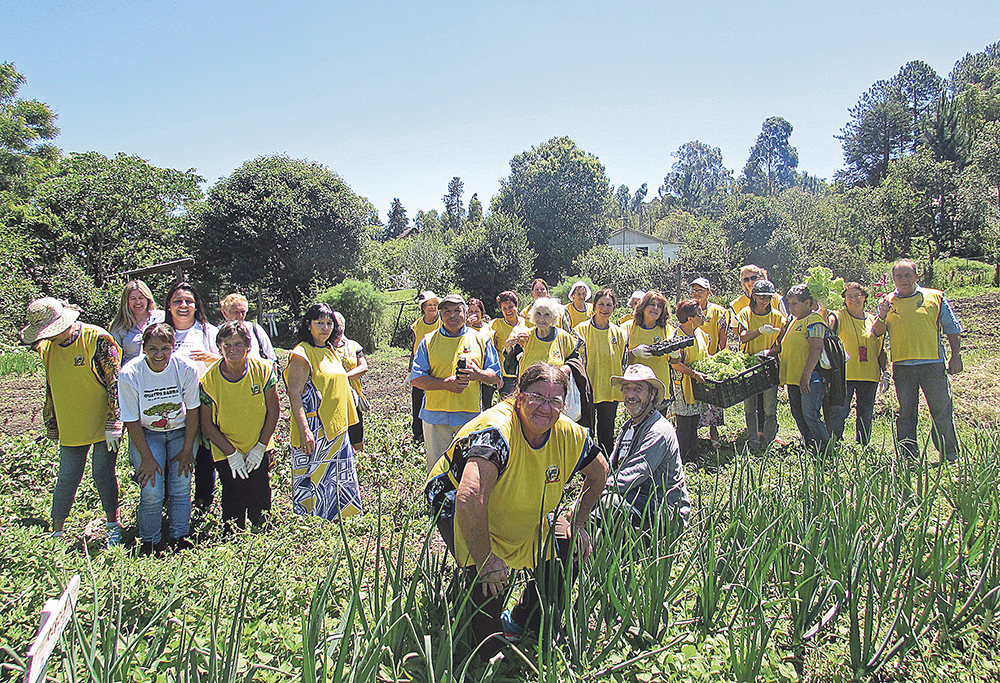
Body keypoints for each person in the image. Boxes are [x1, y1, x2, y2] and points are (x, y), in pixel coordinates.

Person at [425, 362, 609, 657]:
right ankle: (480, 630)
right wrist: (485, 559)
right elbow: (470, 495)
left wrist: (578, 523)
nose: (545, 408)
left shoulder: (567, 433)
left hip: (520, 501)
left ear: (564, 403)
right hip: (461, 501)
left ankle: (527, 619)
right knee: (488, 614)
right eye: (536, 397)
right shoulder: (496, 432)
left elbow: (599, 472)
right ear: (519, 396)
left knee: (567, 547)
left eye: (554, 400)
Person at [20, 298, 124, 545]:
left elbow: (115, 383)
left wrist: (114, 422)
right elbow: (50, 386)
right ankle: (56, 532)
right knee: (67, 475)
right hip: (71, 422)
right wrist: (52, 422)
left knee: (102, 473)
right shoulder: (47, 348)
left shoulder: (97, 339)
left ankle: (113, 524)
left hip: (103, 423)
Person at [118, 323, 200, 554]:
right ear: (144, 348)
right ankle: (149, 541)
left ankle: (180, 537)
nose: (159, 354)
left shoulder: (185, 368)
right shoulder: (130, 374)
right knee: (152, 488)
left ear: (173, 347)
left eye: (165, 348)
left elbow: (193, 410)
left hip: (181, 430)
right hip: (146, 433)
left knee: (181, 484)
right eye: (152, 349)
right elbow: (131, 420)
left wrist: (187, 450)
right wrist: (146, 458)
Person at [871, 259, 962, 463]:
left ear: (916, 276)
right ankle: (908, 458)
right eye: (899, 276)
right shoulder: (887, 301)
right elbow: (877, 333)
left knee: (941, 409)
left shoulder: (935, 297)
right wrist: (883, 314)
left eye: (907, 275)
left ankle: (949, 455)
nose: (903, 279)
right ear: (893, 279)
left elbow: (952, 328)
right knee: (906, 413)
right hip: (902, 366)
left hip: (932, 363)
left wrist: (956, 356)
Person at [285, 304, 363, 520]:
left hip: (336, 428)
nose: (325, 327)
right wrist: (304, 431)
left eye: (329, 323)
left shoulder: (329, 350)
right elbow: (295, 395)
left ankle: (342, 518)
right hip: (315, 429)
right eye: (319, 322)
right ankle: (317, 523)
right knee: (317, 479)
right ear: (308, 325)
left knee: (339, 476)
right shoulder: (301, 354)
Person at [200, 321, 279, 531]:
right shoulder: (209, 379)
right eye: (227, 345)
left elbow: (274, 410)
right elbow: (206, 423)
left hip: (257, 444)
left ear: (248, 347)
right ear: (219, 346)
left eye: (237, 344)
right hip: (226, 448)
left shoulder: (262, 370)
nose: (232, 349)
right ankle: (234, 539)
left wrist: (261, 446)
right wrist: (231, 453)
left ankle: (262, 535)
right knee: (233, 495)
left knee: (260, 492)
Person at [410, 294, 502, 470]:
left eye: (457, 310)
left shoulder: (481, 339)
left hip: (469, 417)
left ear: (466, 313)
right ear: (440, 314)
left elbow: (496, 376)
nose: (452, 315)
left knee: (467, 469)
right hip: (434, 416)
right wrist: (446, 384)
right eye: (447, 311)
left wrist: (479, 374)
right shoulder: (428, 341)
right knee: (436, 469)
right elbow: (416, 379)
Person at [600, 364, 690, 529]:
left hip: (662, 508)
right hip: (634, 497)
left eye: (638, 389)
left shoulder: (658, 431)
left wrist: (595, 490)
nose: (631, 395)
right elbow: (611, 468)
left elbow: (635, 473)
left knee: (606, 504)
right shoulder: (628, 427)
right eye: (626, 389)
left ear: (652, 393)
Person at [164, 281, 220, 511]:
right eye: (177, 301)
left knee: (205, 454)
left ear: (197, 306)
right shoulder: (161, 332)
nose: (183, 305)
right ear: (168, 306)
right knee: (173, 453)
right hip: (169, 404)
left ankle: (203, 502)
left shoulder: (208, 332)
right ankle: (172, 502)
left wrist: (209, 356)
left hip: (203, 401)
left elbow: (229, 363)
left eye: (189, 301)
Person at [827, 283, 885, 446]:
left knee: (865, 414)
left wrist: (885, 371)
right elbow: (827, 323)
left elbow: (881, 348)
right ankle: (835, 442)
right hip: (845, 374)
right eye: (849, 296)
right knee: (839, 412)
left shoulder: (874, 319)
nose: (853, 299)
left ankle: (863, 445)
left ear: (864, 297)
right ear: (844, 300)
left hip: (870, 374)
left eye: (857, 295)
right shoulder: (838, 316)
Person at [573, 288, 627, 457]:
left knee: (607, 432)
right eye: (601, 304)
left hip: (609, 391)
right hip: (587, 391)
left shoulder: (620, 333)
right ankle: (586, 467)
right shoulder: (580, 331)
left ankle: (606, 466)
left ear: (614, 307)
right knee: (586, 432)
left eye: (609, 305)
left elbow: (624, 362)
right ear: (594, 306)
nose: (605, 308)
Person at [778, 284, 832, 454]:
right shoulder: (794, 320)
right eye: (790, 303)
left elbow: (816, 348)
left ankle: (825, 449)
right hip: (793, 377)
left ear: (808, 303)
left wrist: (806, 374)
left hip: (810, 377)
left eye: (795, 303)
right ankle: (810, 445)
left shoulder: (814, 320)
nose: (791, 307)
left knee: (810, 414)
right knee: (798, 413)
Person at [736, 280, 786, 449]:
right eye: (761, 296)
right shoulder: (746, 313)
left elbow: (782, 344)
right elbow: (743, 337)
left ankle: (769, 440)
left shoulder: (778, 317)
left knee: (769, 405)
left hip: (768, 364)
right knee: (750, 404)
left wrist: (770, 352)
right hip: (750, 363)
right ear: (754, 296)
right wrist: (759, 332)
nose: (764, 300)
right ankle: (753, 439)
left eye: (768, 297)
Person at [668, 300, 710, 463]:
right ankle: (681, 460)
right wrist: (692, 374)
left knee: (694, 422)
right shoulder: (677, 338)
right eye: (699, 313)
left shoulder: (699, 333)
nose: (703, 316)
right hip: (683, 387)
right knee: (684, 425)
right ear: (690, 318)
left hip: (697, 386)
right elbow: (675, 363)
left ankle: (693, 455)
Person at [622, 291, 675, 411]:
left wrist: (675, 354)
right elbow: (618, 357)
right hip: (635, 387)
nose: (655, 308)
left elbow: (675, 360)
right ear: (643, 306)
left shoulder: (667, 329)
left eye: (659, 306)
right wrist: (633, 352)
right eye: (652, 304)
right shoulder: (628, 327)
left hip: (659, 386)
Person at [690, 278, 727, 446]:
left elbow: (723, 336)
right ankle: (693, 434)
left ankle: (714, 432)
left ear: (708, 292)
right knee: (694, 397)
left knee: (713, 398)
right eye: (694, 289)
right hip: (694, 360)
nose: (697, 293)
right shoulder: (688, 308)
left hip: (711, 360)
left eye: (700, 290)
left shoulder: (718, 311)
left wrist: (721, 357)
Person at [505, 297, 579, 381]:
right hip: (528, 390)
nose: (541, 319)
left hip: (554, 390)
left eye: (547, 315)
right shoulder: (526, 337)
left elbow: (575, 361)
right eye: (538, 314)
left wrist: (565, 369)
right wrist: (509, 349)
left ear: (553, 318)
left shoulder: (563, 337)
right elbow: (510, 370)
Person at [331, 311, 369, 454]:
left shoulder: (353, 345)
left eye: (339, 324)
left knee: (356, 432)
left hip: (353, 397)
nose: (337, 328)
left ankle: (359, 459)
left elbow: (363, 367)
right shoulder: (324, 347)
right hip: (333, 398)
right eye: (334, 324)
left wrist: (344, 377)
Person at [408, 291, 440, 444]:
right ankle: (417, 433)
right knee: (417, 399)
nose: (432, 307)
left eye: (434, 304)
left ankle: (434, 430)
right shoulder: (418, 324)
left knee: (435, 398)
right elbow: (413, 347)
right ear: (423, 308)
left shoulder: (442, 322)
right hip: (421, 366)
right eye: (429, 305)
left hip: (437, 365)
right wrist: (410, 370)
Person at [109, 280, 165, 363]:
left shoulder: (162, 318)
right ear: (126, 302)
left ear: (148, 298)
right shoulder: (119, 326)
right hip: (131, 373)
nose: (138, 302)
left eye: (141, 297)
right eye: (133, 298)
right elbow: (113, 358)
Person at [490, 291, 527, 399]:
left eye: (510, 307)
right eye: (504, 308)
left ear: (516, 306)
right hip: (506, 377)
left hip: (524, 374)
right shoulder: (495, 325)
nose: (508, 311)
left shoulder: (528, 324)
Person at [219, 293, 277, 362]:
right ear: (225, 313)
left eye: (242, 312)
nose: (240, 315)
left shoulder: (255, 329)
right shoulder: (217, 332)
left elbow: (271, 357)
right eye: (235, 312)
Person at [728, 264, 782, 329]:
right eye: (746, 279)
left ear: (762, 277)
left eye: (754, 278)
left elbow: (784, 324)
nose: (750, 282)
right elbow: (736, 329)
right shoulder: (737, 303)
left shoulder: (776, 299)